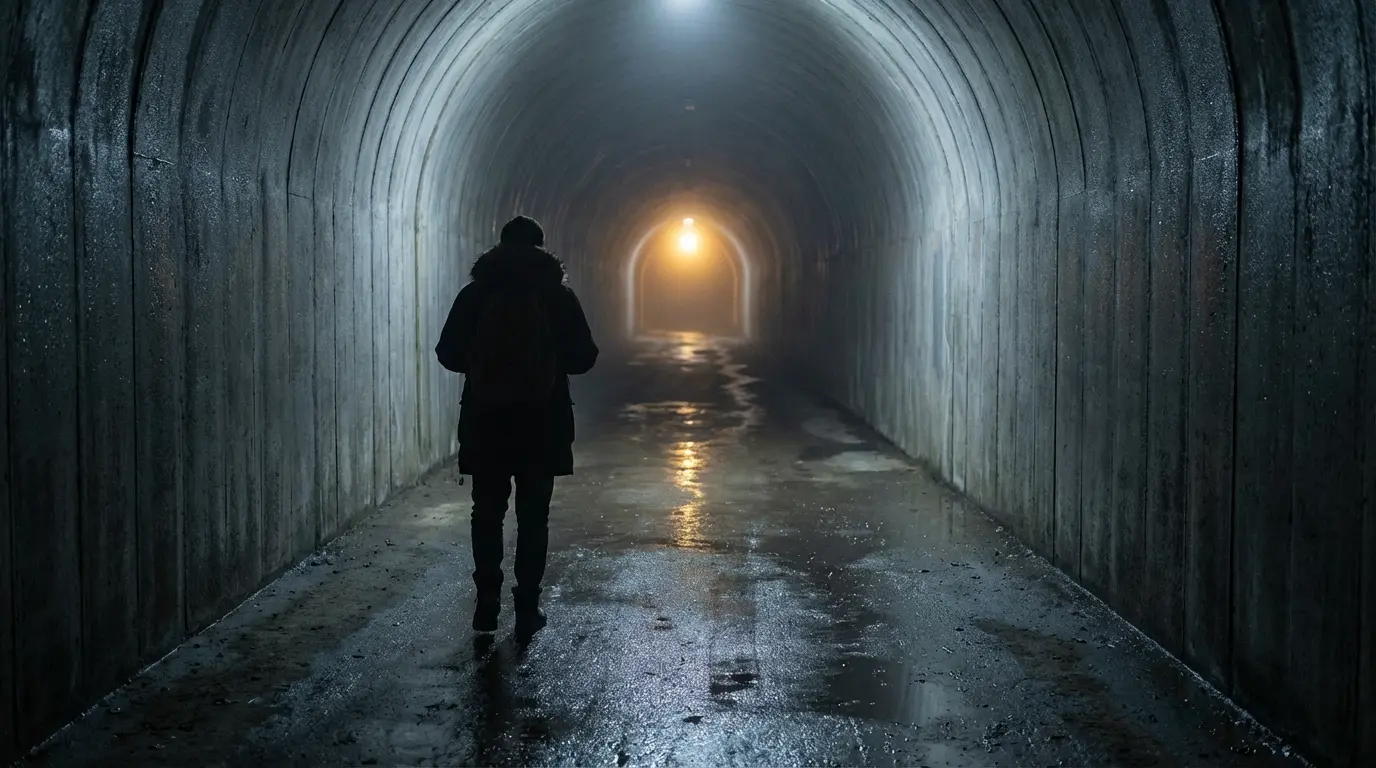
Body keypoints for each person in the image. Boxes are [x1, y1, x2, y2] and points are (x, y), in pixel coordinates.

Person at [435, 215, 599, 635]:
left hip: (486, 420)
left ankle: (487, 599)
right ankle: (527, 606)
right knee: (533, 517)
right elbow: (584, 358)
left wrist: (485, 365)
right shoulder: (557, 297)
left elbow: (448, 353)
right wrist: (546, 360)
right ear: (541, 249)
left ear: (500, 247)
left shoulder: (476, 294)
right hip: (541, 423)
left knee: (486, 512)